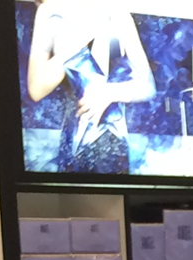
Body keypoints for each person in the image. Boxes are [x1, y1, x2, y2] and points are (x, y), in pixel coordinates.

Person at [26, 0, 156, 171]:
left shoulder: (116, 12)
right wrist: (81, 37)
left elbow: (148, 86)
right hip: (76, 137)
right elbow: (36, 89)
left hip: (114, 142)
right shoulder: (50, 11)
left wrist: (109, 93)